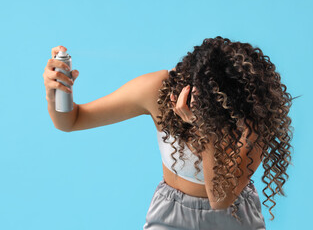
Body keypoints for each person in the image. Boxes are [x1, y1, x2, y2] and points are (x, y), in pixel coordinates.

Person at [43, 36, 296, 230]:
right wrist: (55, 91)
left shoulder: (253, 117)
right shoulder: (159, 91)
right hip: (170, 217)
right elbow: (71, 120)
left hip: (233, 218)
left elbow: (220, 199)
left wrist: (202, 130)